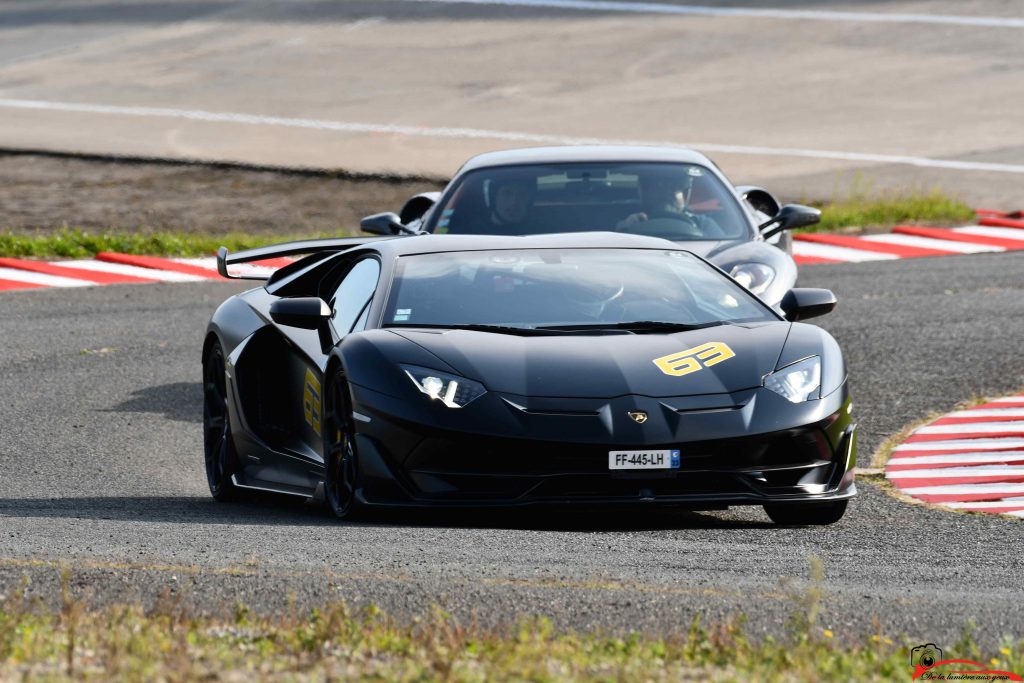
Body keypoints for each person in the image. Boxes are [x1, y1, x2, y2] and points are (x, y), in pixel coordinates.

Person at [616, 170, 724, 237]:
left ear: (686, 194)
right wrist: (625, 228)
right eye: (658, 187)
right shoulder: (626, 222)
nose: (667, 194)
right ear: (642, 191)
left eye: (675, 188)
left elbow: (722, 251)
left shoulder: (702, 224)